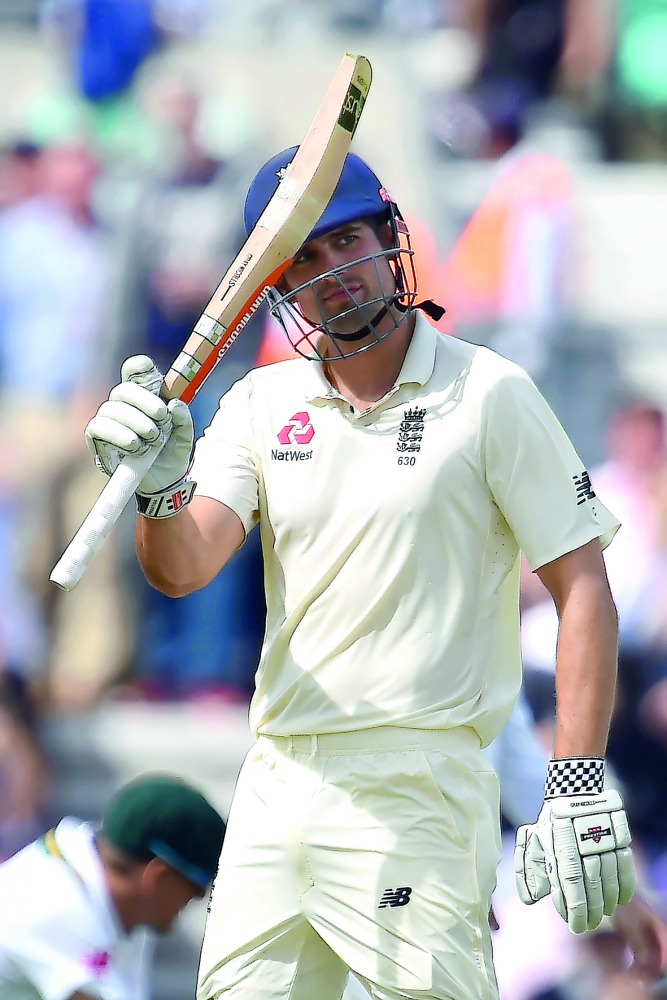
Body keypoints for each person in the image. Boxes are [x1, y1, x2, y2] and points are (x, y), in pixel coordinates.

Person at [84, 145, 635, 1000]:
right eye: (304, 257)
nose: (331, 271)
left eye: (345, 242)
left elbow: (583, 589)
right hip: (275, 781)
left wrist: (574, 777)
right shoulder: (261, 404)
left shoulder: (490, 391)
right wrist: (159, 493)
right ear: (279, 290)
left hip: (415, 784)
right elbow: (184, 566)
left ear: (388, 236)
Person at [0, 772, 226, 1000]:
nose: (199, 898)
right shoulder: (54, 906)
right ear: (159, 876)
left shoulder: (124, 900)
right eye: (198, 887)